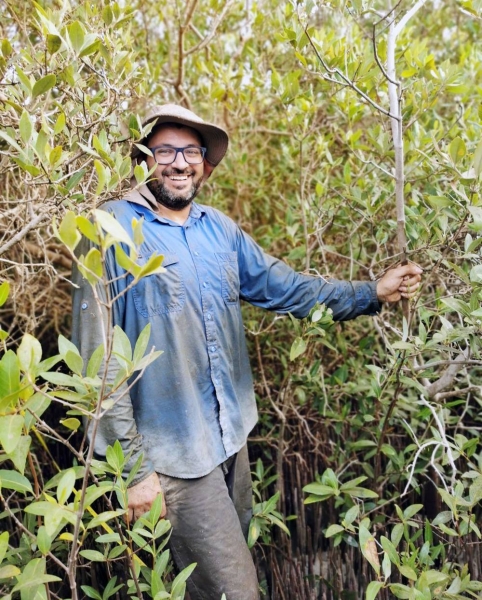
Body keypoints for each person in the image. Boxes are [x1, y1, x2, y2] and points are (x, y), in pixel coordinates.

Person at [71, 104, 422, 600]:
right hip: (172, 459)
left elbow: (291, 290)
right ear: (143, 159)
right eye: (165, 150)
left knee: (201, 589)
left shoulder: (220, 230)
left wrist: (371, 292)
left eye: (190, 150)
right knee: (237, 592)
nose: (178, 162)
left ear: (204, 164)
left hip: (229, 441)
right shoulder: (106, 228)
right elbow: (94, 358)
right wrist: (133, 472)